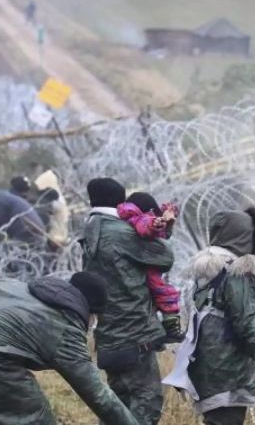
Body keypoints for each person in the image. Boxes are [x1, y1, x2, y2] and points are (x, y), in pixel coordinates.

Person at [0, 273, 140, 425]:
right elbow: (99, 395)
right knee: (37, 419)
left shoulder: (19, 287)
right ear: (90, 312)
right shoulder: (64, 326)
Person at [164, 208, 255, 425]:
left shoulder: (207, 270)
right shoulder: (237, 271)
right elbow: (245, 321)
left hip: (207, 365)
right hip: (228, 371)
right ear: (243, 236)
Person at [82, 177, 175, 425]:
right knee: (146, 407)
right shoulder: (121, 232)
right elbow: (165, 257)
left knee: (117, 410)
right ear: (121, 202)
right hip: (135, 336)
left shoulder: (90, 229)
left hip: (108, 336)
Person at [118, 192, 184, 342]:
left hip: (145, 266)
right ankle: (171, 329)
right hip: (148, 270)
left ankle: (169, 327)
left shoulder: (130, 218)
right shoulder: (142, 218)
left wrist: (167, 223)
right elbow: (145, 226)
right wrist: (155, 224)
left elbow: (162, 235)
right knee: (165, 293)